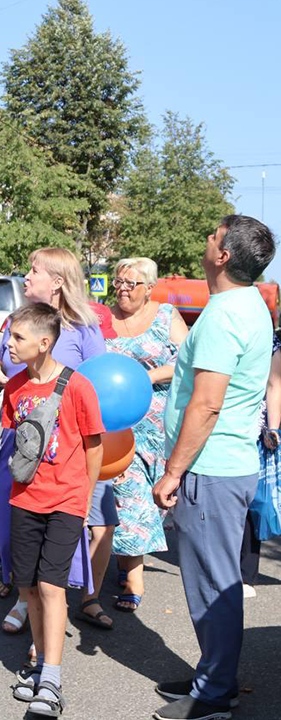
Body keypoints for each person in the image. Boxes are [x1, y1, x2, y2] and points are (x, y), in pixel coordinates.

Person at [153, 215, 276, 720]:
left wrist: (173, 472)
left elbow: (206, 405)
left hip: (212, 468)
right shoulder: (248, 304)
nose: (205, 240)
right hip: (229, 464)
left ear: (223, 255)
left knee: (212, 583)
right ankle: (214, 674)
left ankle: (213, 696)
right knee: (214, 578)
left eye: (211, 235)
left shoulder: (225, 315)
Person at [0, 247, 106, 636]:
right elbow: (4, 365)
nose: (27, 276)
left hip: (62, 449)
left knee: (59, 528)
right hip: (18, 440)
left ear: (57, 281)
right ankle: (24, 596)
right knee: (8, 518)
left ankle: (54, 606)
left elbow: (98, 387)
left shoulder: (83, 329)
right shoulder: (16, 323)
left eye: (34, 270)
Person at [2, 304, 104, 717]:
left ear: (44, 343)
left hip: (65, 502)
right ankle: (40, 663)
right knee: (26, 586)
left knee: (51, 587)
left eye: (17, 338)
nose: (9, 344)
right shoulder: (14, 388)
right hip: (23, 500)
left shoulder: (77, 387)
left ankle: (52, 680)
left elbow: (94, 446)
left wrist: (83, 498)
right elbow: (17, 439)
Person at [105, 258, 188, 613]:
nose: (122, 289)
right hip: (116, 425)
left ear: (150, 288)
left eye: (131, 284)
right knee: (129, 493)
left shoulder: (166, 316)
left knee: (145, 496)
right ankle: (133, 577)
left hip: (157, 423)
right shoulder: (102, 317)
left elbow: (188, 363)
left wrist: (149, 377)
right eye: (118, 282)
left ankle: (125, 563)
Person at [243, 330, 281, 596]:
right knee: (252, 499)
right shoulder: (270, 338)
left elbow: (274, 384)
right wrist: (272, 428)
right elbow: (273, 385)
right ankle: (245, 573)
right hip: (260, 428)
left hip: (265, 427)